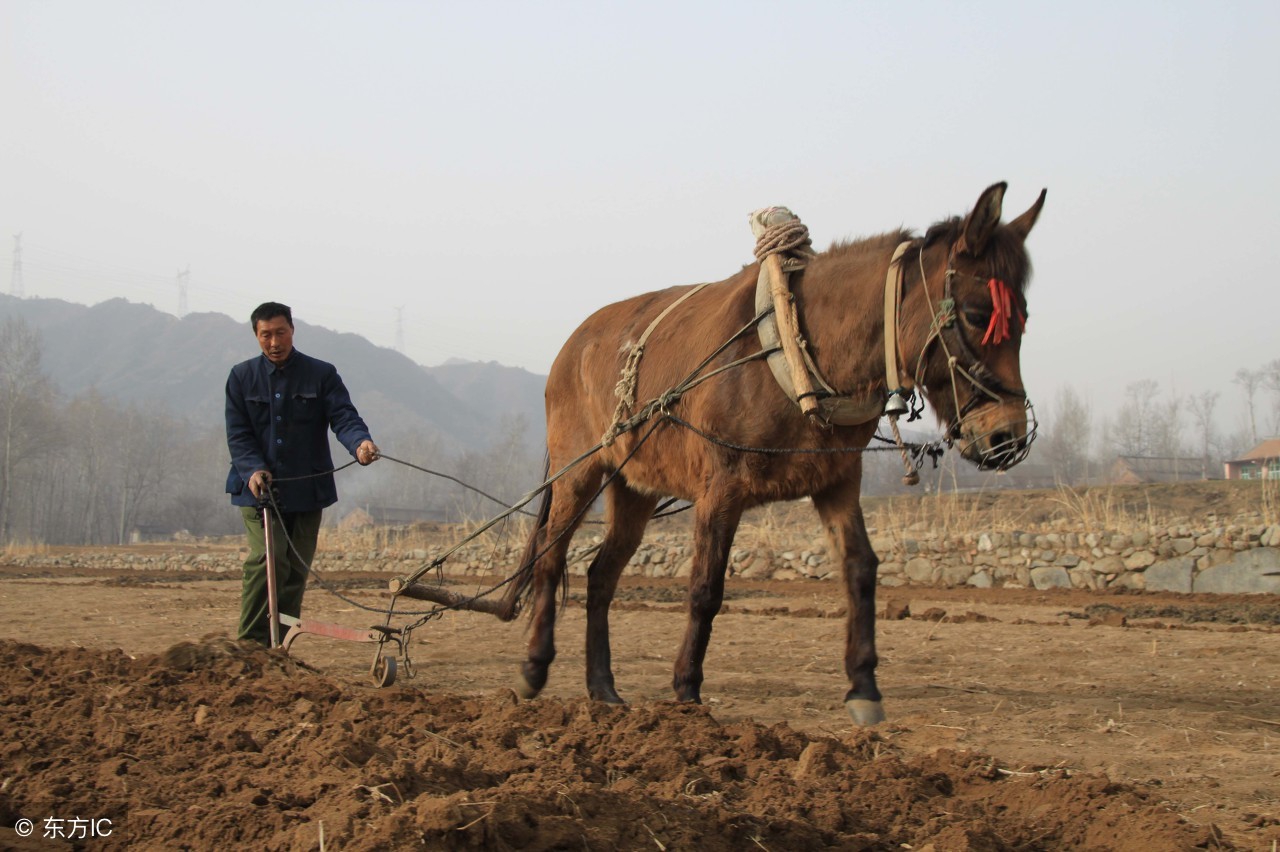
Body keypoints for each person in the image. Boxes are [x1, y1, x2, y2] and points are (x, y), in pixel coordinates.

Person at [225, 301, 379, 645]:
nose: (274, 342)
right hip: (258, 490)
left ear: (292, 330)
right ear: (256, 335)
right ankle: (251, 644)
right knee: (268, 559)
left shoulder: (321, 374)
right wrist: (253, 469)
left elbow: (344, 417)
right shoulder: (241, 377)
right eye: (266, 335)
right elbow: (238, 434)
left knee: (295, 570)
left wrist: (360, 443)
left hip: (308, 491)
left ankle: (279, 645)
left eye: (280, 332)